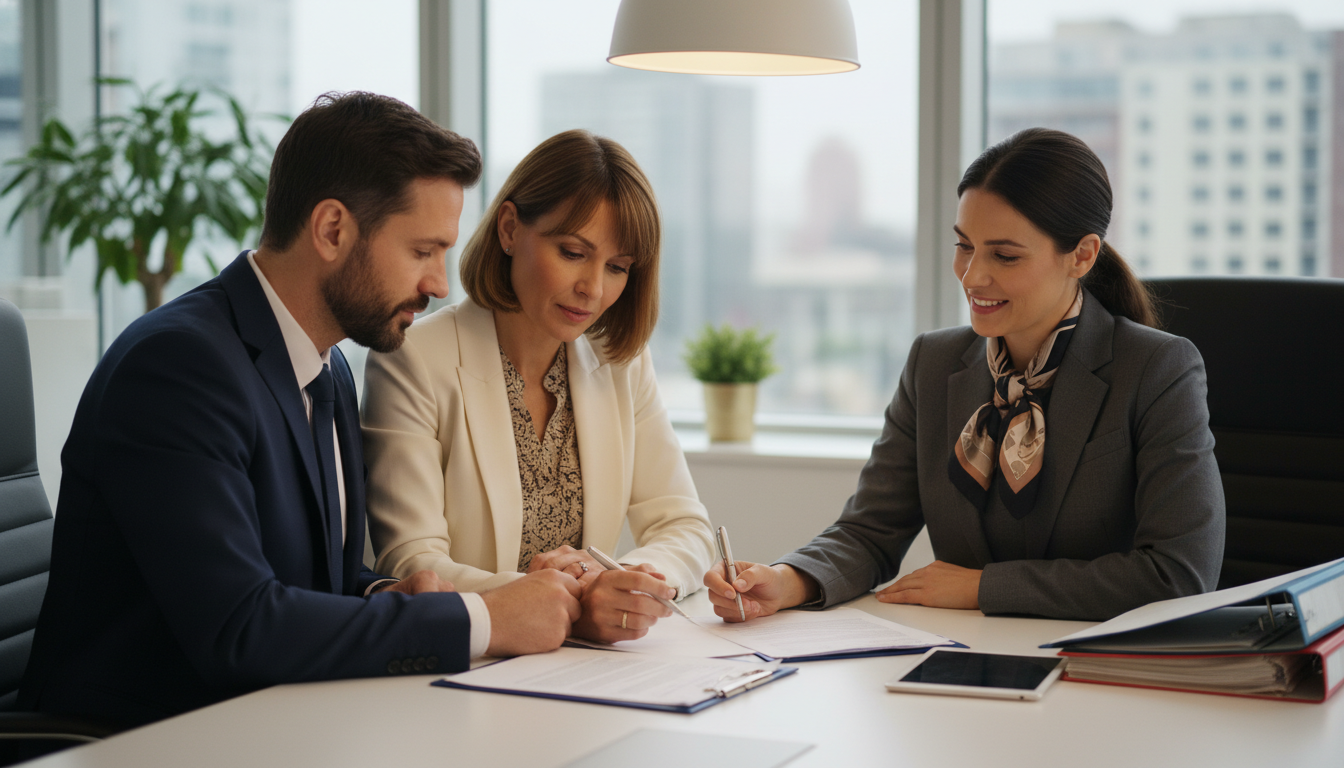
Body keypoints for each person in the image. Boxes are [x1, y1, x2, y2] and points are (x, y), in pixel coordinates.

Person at [19, 93, 582, 727]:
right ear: (333, 229)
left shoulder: (327, 366)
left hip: (269, 723)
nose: (439, 284)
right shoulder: (178, 367)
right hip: (139, 740)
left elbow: (313, 581)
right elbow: (241, 627)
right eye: (423, 251)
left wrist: (387, 592)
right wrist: (485, 618)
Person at [704, 128, 1226, 623]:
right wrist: (787, 580)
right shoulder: (934, 364)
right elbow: (870, 532)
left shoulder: (1157, 370)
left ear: (1082, 255)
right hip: (963, 659)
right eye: (964, 245)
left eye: (1004, 254)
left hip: (1099, 668)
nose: (973, 275)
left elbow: (1177, 573)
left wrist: (982, 587)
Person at [361, 129, 715, 643]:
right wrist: (563, 597)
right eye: (573, 252)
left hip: (584, 672)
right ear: (509, 228)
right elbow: (413, 560)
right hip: (469, 665)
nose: (593, 289)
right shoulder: (414, 358)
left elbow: (684, 525)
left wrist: (621, 583)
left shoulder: (622, 363)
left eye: (617, 267)